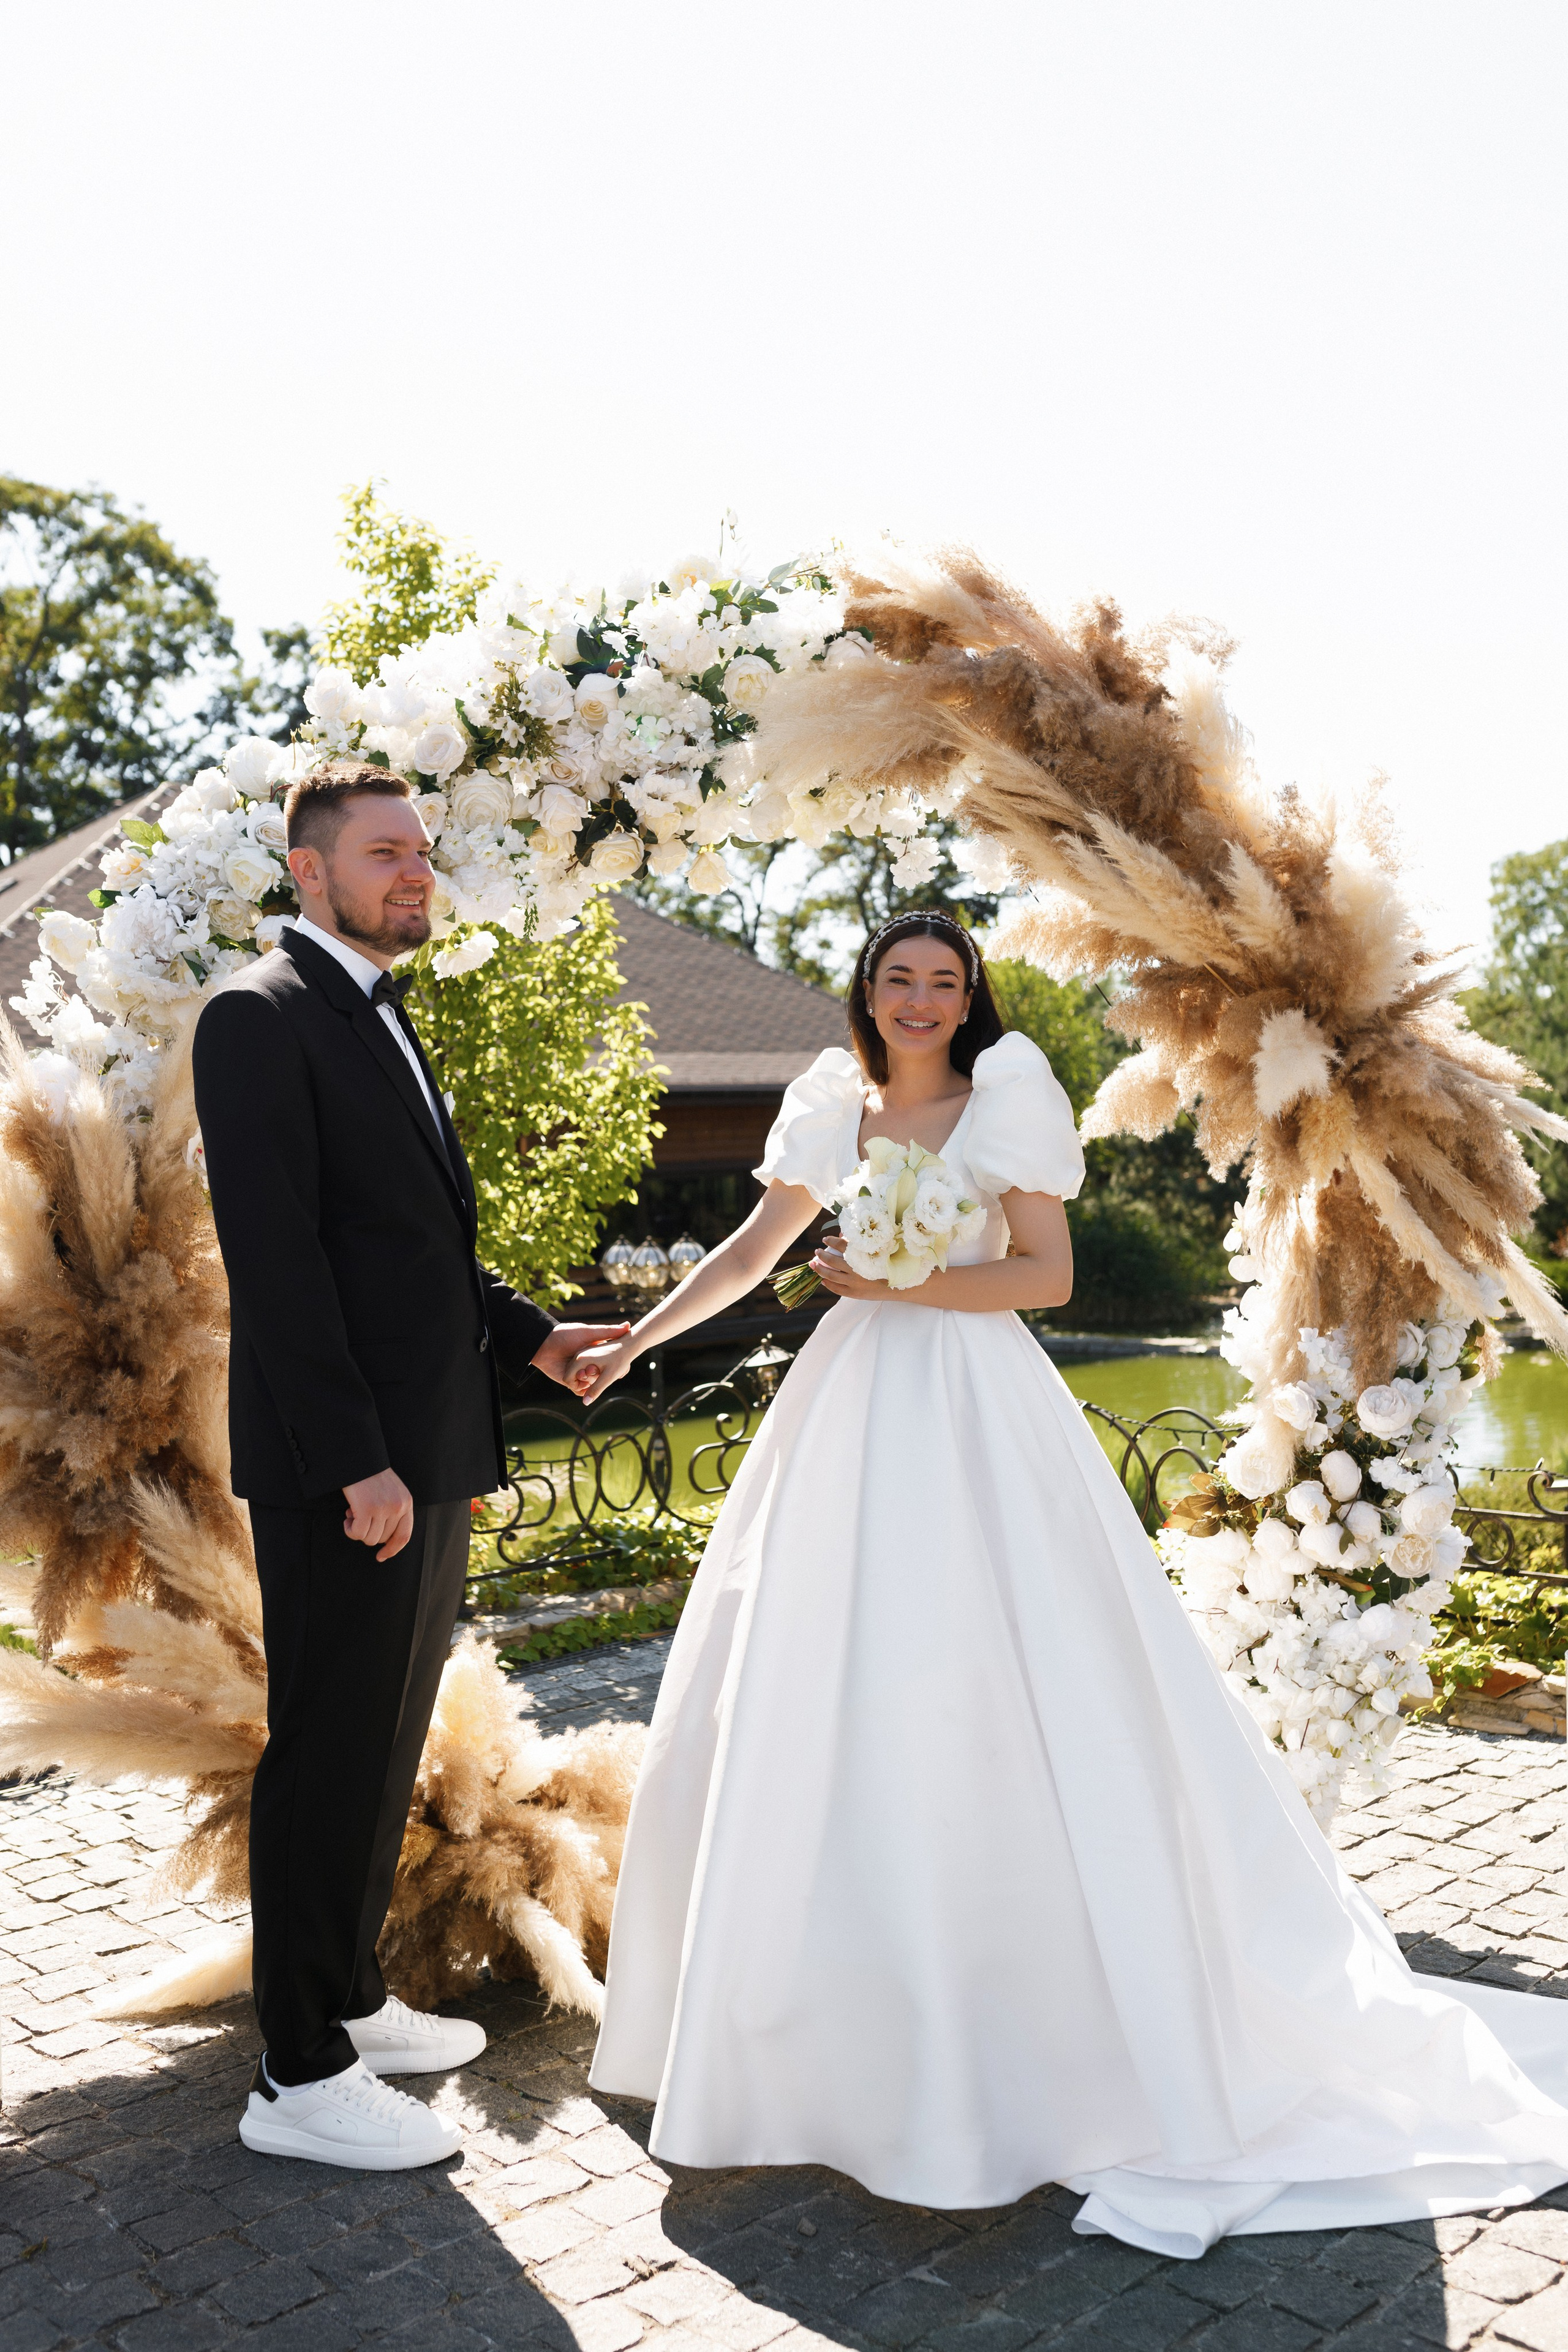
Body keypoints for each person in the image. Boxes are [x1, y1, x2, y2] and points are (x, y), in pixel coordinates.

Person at [576, 908, 1568, 2258]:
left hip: (973, 1405)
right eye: (897, 977)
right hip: (847, 1411)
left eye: (943, 981)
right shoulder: (828, 1106)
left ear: (965, 998)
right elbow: (753, 1253)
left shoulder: (1003, 1100)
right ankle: (824, 2018)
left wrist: (898, 1284)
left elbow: (1043, 1276)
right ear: (865, 992)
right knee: (825, 1677)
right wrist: (634, 1340)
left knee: (992, 1674)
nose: (919, 998)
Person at [192, 760, 625, 2172]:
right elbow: (281, 1264)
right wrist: (355, 1463)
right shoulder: (257, 1016)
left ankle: (348, 1998)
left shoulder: (379, 1012)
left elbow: (410, 1250)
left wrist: (532, 1338)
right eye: (384, 853)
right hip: (351, 1473)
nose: (414, 873)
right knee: (325, 1753)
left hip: (423, 1456)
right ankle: (297, 2073)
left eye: (421, 852)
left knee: (383, 1749)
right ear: (308, 871)